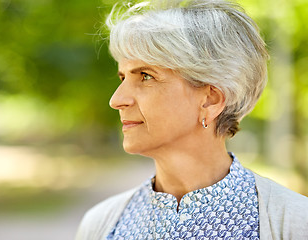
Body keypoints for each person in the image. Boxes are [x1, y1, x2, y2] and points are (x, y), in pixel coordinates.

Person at [75, 0, 308, 239]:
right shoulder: (100, 225)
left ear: (210, 101)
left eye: (145, 76)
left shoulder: (296, 224)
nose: (117, 99)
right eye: (122, 77)